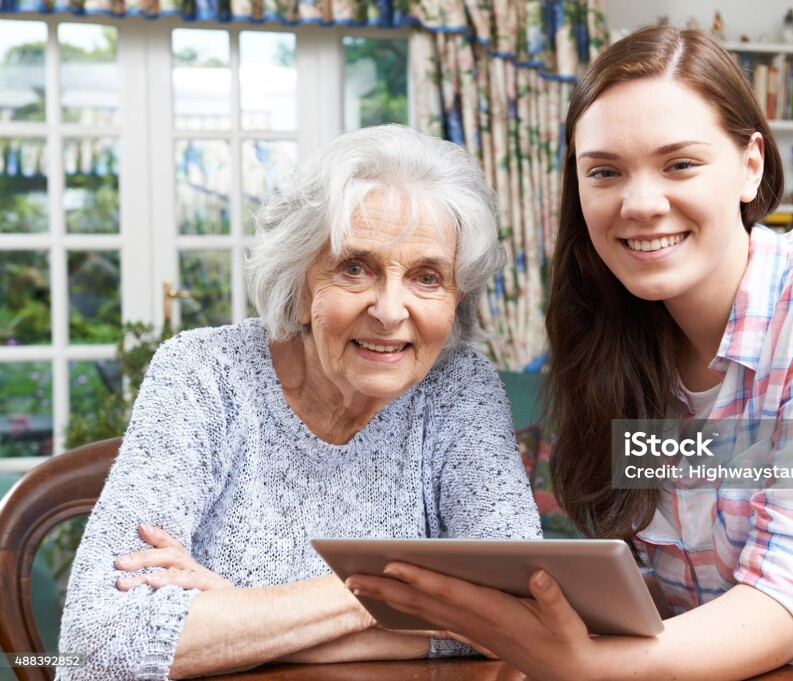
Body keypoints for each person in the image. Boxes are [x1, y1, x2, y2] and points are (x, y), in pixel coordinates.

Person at [344, 26, 793, 680]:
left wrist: (588, 663)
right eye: (605, 171)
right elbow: (672, 591)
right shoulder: (618, 345)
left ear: (750, 166)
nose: (640, 203)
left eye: (681, 164)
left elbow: (786, 598)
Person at [57, 124, 541, 680]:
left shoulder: (459, 385)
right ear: (300, 279)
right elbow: (94, 646)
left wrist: (240, 617)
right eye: (354, 267)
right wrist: (385, 595)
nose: (389, 309)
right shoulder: (203, 374)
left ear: (458, 296)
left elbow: (519, 613)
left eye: (427, 277)